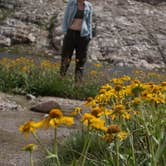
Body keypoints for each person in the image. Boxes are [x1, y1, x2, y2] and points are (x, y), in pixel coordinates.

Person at [60, 0, 93, 83]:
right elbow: (66, 17)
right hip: (70, 33)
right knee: (66, 58)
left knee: (81, 60)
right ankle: (60, 80)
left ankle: (78, 84)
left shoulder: (89, 6)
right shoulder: (71, 3)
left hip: (83, 35)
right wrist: (65, 31)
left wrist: (90, 35)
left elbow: (89, 21)